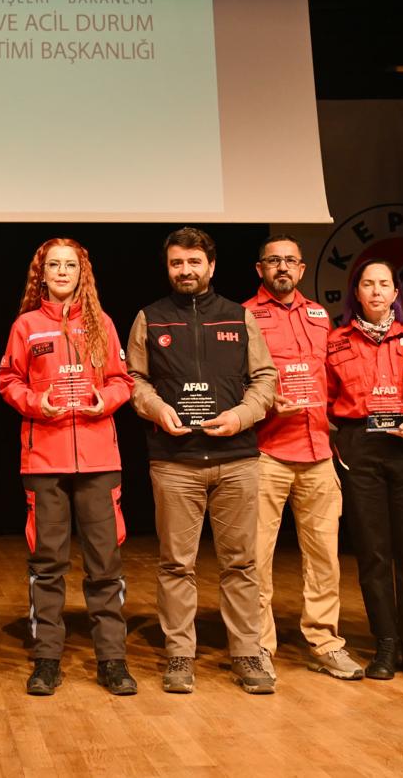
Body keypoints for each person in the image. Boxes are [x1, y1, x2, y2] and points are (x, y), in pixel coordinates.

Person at [127, 227, 278, 694]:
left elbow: (266, 379)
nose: (185, 271)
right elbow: (133, 379)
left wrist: (241, 416)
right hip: (174, 462)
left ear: (211, 266)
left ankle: (247, 653)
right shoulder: (149, 318)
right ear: (167, 267)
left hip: (237, 460)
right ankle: (178, 656)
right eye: (177, 263)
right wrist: (156, 409)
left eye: (194, 262)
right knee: (176, 564)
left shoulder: (239, 316)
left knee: (241, 564)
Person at [0, 238, 136, 697]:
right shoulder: (26, 326)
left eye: (69, 266)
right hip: (44, 459)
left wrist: (106, 399)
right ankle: (46, 659)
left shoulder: (103, 324)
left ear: (83, 274)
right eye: (53, 265)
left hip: (99, 459)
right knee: (47, 564)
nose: (62, 272)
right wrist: (36, 403)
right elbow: (8, 381)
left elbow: (122, 380)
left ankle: (112, 660)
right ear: (42, 272)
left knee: (105, 565)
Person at [242, 236, 360, 679]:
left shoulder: (319, 315)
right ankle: (258, 646)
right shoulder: (245, 315)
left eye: (290, 260)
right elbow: (237, 381)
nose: (282, 267)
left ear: (303, 267)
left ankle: (325, 641)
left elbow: (332, 377)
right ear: (260, 269)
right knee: (256, 556)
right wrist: (268, 403)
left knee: (325, 555)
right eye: (273, 260)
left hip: (317, 452)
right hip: (266, 451)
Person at [327, 259, 403, 682]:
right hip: (360, 447)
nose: (375, 291)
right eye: (367, 284)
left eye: (384, 284)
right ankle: (386, 645)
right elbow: (324, 398)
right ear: (357, 293)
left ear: (396, 294)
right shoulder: (335, 341)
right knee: (373, 555)